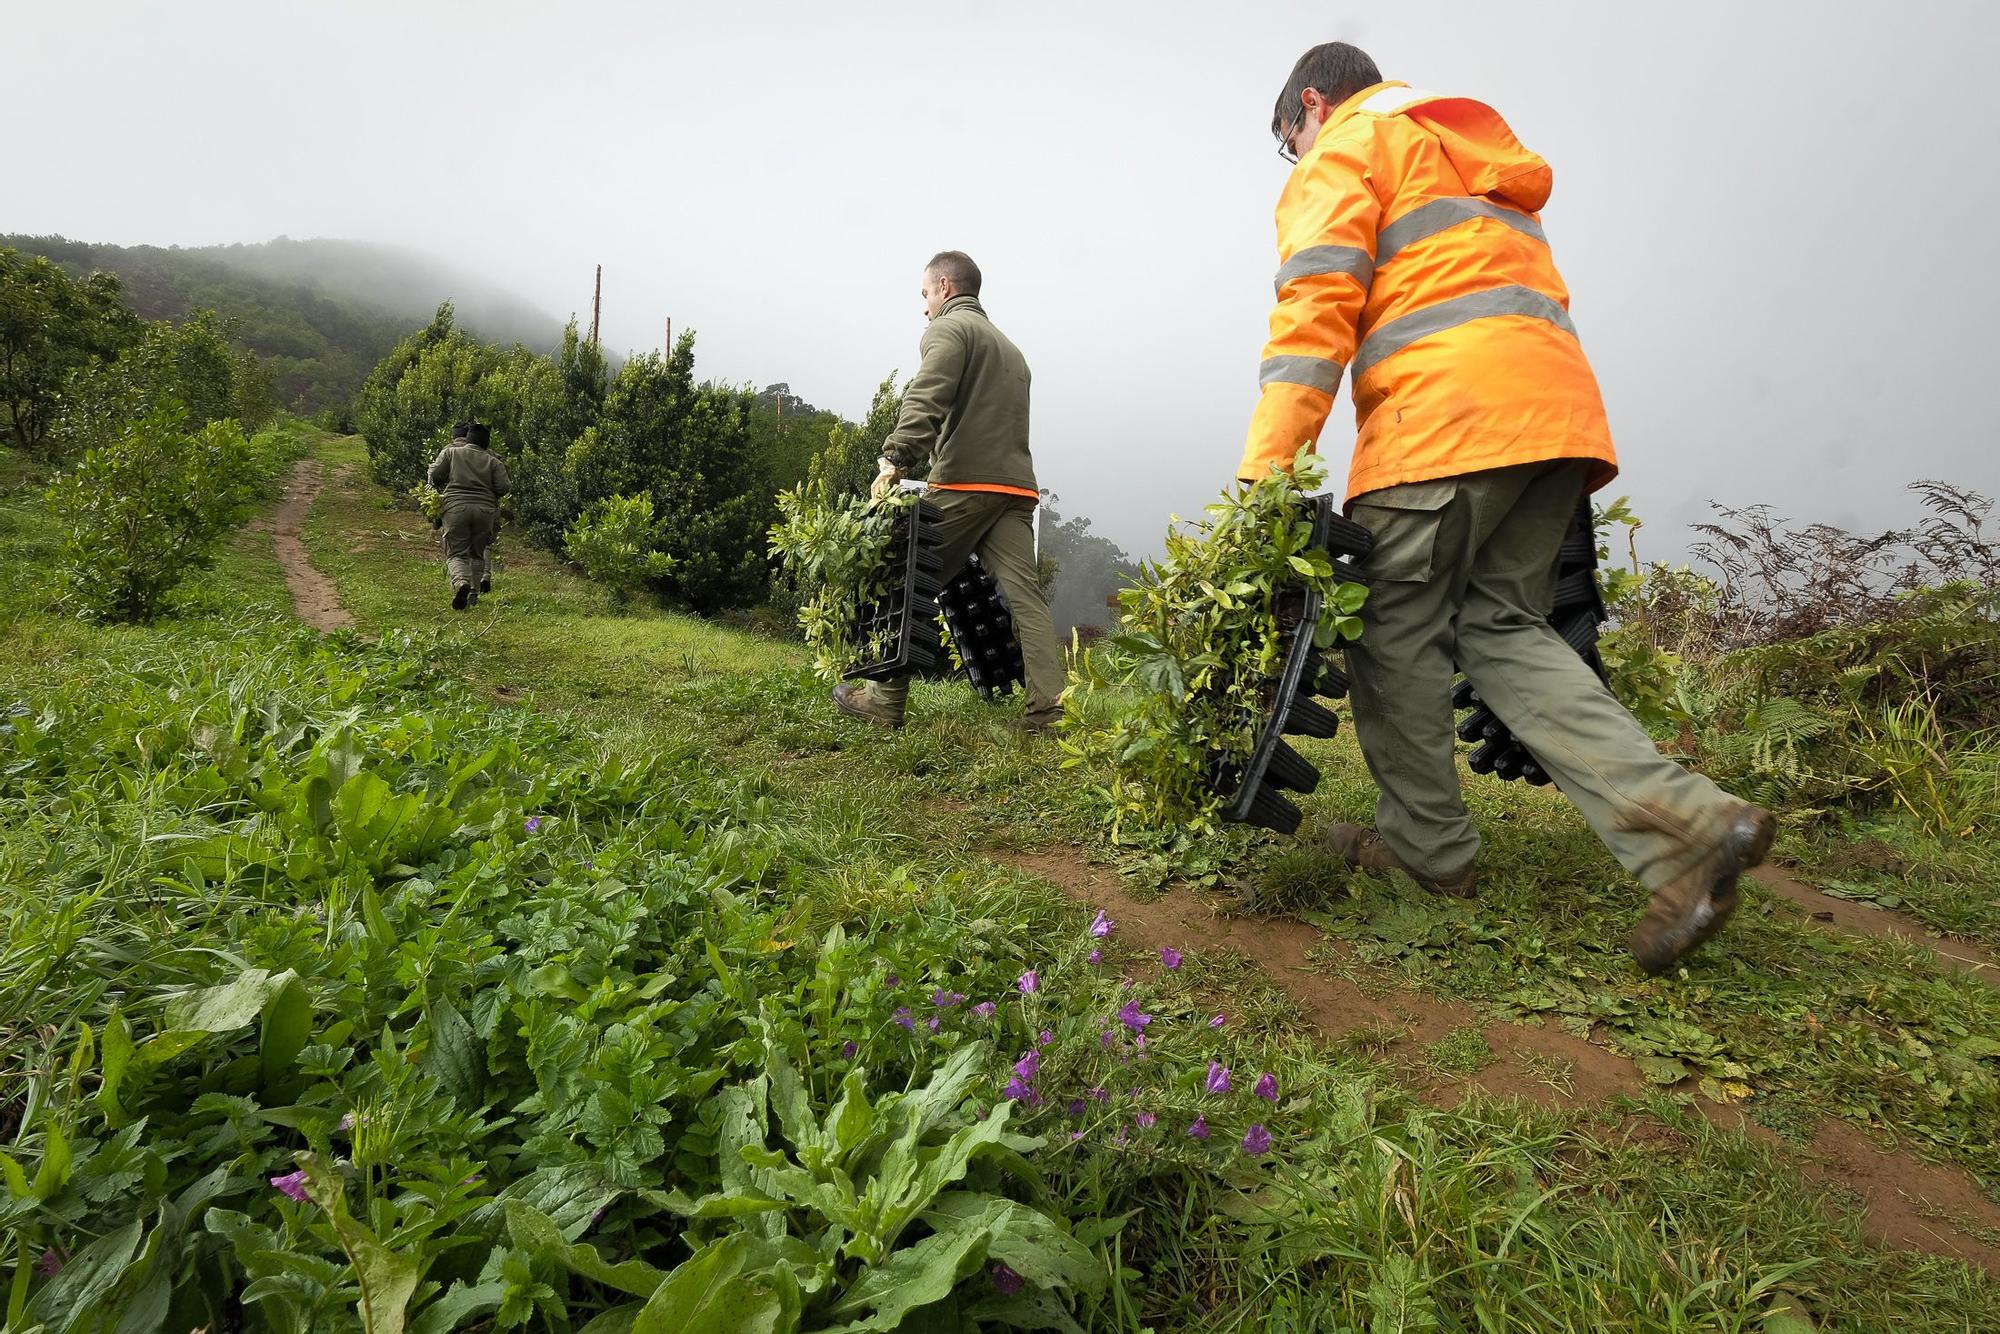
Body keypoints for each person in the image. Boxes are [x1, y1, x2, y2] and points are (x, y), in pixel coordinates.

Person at [1243, 42, 1773, 975]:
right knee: (1502, 625)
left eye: (1290, 137)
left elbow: (1315, 304)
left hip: (1441, 425)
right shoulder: (1466, 151)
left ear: (1312, 105)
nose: (1297, 153)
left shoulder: (1348, 146)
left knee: (1392, 627)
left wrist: (1267, 471)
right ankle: (1687, 828)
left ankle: (1426, 854)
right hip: (1554, 421)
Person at [831, 251, 1064, 735]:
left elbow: (927, 392)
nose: (924, 307)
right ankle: (1048, 713)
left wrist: (896, 457)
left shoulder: (949, 330)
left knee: (899, 579)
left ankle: (881, 701)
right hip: (1015, 490)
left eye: (925, 295)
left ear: (945, 286)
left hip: (964, 484)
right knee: (1027, 600)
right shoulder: (1011, 349)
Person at [427, 421, 510, 610]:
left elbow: (435, 475)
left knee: (456, 552)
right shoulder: (494, 461)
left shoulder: (451, 452)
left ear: (467, 439)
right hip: (484, 512)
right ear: (486, 443)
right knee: (477, 553)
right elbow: (504, 487)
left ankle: (461, 582)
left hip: (456, 508)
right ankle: (473, 593)